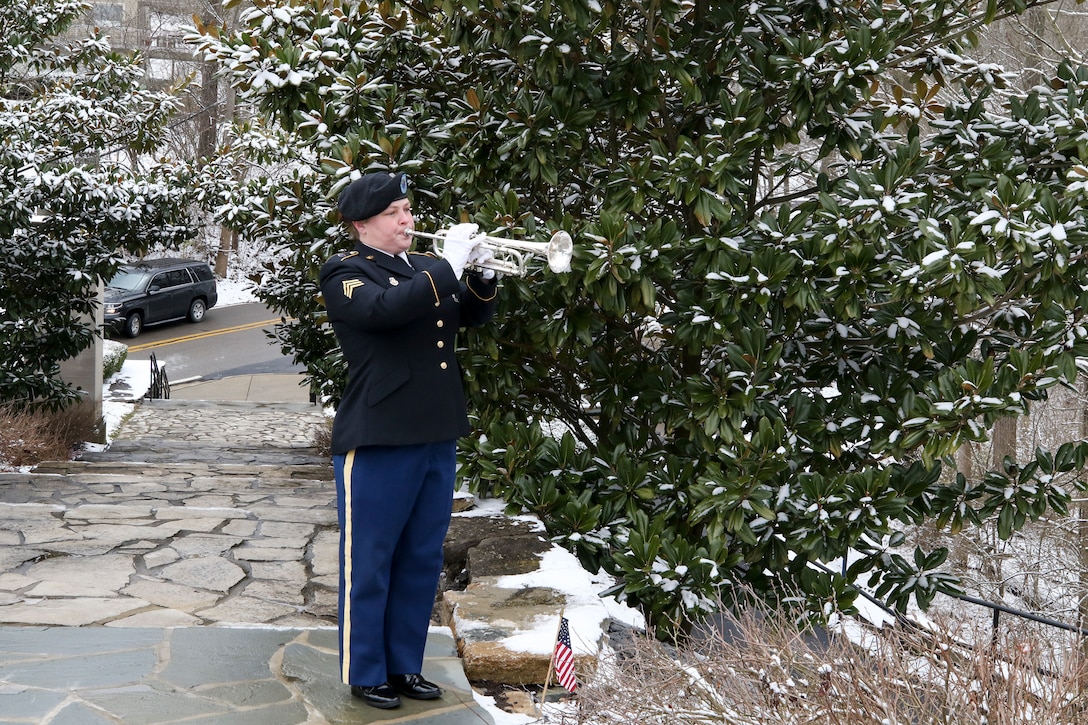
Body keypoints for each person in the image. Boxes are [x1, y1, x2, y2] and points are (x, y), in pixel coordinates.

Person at [318, 171, 499, 709]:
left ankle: (403, 666)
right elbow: (383, 312)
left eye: (407, 209)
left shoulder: (423, 269)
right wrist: (450, 265)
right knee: (370, 559)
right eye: (394, 213)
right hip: (379, 435)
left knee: (421, 558)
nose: (407, 220)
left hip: (436, 430)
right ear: (361, 224)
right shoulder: (346, 273)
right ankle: (366, 670)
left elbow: (472, 318)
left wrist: (482, 276)